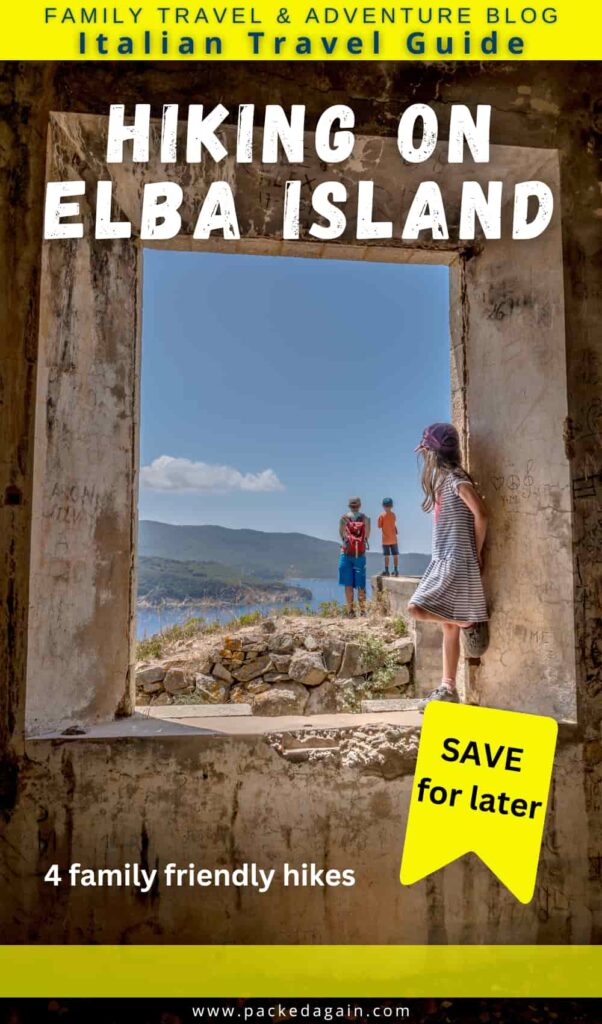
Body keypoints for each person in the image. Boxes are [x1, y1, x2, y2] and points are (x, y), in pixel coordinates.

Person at [407, 422, 489, 706]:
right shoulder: (444, 481)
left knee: (416, 608)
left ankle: (468, 620)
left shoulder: (455, 480)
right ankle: (448, 687)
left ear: (432, 453)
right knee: (447, 626)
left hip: (455, 560)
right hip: (446, 558)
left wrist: (476, 552)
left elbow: (481, 514)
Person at [339, 497, 371, 617]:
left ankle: (350, 612)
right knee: (360, 584)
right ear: (359, 505)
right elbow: (366, 536)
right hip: (360, 554)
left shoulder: (343, 518)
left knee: (348, 584)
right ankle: (363, 612)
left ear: (349, 506)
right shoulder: (365, 519)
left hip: (345, 553)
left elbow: (342, 535)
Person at [378, 497, 399, 576]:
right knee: (395, 555)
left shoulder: (382, 515)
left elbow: (379, 526)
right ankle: (396, 570)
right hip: (393, 539)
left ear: (383, 506)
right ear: (392, 506)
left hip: (385, 539)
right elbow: (393, 523)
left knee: (386, 556)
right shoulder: (393, 515)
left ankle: (386, 571)